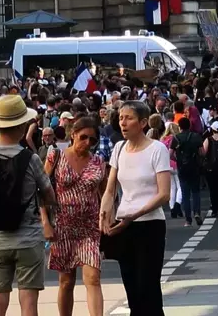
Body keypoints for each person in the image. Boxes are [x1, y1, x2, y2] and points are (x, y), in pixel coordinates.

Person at [99, 101, 172, 316]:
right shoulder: (119, 148)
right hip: (123, 226)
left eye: (129, 118)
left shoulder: (157, 149)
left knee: (147, 287)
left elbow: (164, 194)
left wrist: (136, 214)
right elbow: (110, 189)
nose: (123, 122)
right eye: (121, 118)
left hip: (149, 225)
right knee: (131, 288)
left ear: (142, 123)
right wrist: (104, 216)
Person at [0, 95, 56, 316]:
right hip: (28, 238)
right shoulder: (30, 158)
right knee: (28, 300)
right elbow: (49, 193)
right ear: (21, 125)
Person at [44, 117, 106, 316]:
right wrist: (45, 222)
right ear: (73, 135)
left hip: (90, 227)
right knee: (66, 282)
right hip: (63, 226)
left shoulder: (98, 161)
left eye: (93, 140)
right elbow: (42, 190)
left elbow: (106, 193)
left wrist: (108, 217)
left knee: (93, 277)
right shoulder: (56, 156)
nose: (88, 143)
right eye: (83, 137)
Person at [171, 117, 204, 227]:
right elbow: (202, 152)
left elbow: (170, 154)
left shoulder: (176, 138)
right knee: (196, 192)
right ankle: (197, 213)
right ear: (189, 126)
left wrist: (178, 159)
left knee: (185, 194)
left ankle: (188, 220)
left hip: (182, 168)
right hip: (194, 167)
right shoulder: (196, 137)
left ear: (179, 127)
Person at [160, 123, 183, 219]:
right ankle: (178, 203)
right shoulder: (176, 139)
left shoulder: (162, 140)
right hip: (175, 164)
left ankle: (172, 207)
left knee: (172, 187)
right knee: (180, 185)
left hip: (166, 164)